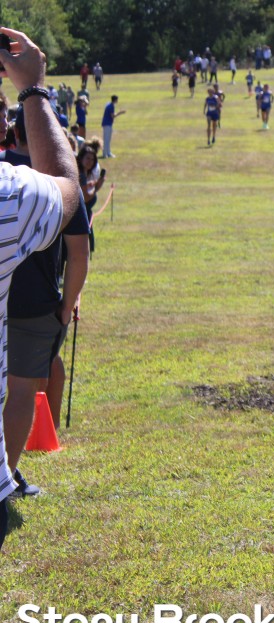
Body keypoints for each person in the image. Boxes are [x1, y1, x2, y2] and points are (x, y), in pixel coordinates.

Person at [0, 27, 83, 549]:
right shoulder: (13, 190)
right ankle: (11, 473)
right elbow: (69, 199)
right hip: (34, 307)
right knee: (21, 392)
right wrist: (32, 89)